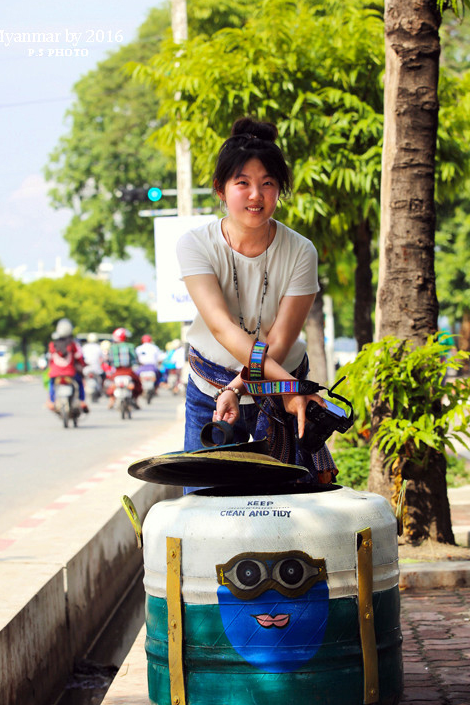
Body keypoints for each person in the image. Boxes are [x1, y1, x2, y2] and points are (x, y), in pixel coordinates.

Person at [176, 116, 337, 484]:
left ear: (279, 190)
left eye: (268, 184)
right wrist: (291, 390)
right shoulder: (195, 244)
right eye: (242, 183)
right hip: (210, 388)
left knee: (289, 509)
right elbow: (221, 328)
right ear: (220, 188)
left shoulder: (301, 251)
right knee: (203, 507)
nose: (255, 195)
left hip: (279, 384)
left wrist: (277, 390)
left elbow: (278, 342)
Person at [47, 318, 88, 412]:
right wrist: (83, 365)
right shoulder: (72, 344)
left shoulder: (52, 345)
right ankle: (82, 401)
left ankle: (52, 401)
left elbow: (50, 359)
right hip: (70, 372)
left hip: (55, 373)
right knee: (80, 382)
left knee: (52, 383)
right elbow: (78, 357)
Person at [106, 327, 142, 408]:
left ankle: (111, 400)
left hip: (117, 372)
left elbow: (108, 361)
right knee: (137, 383)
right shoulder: (130, 346)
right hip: (128, 371)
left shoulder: (112, 347)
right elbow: (135, 359)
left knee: (111, 383)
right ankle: (135, 400)